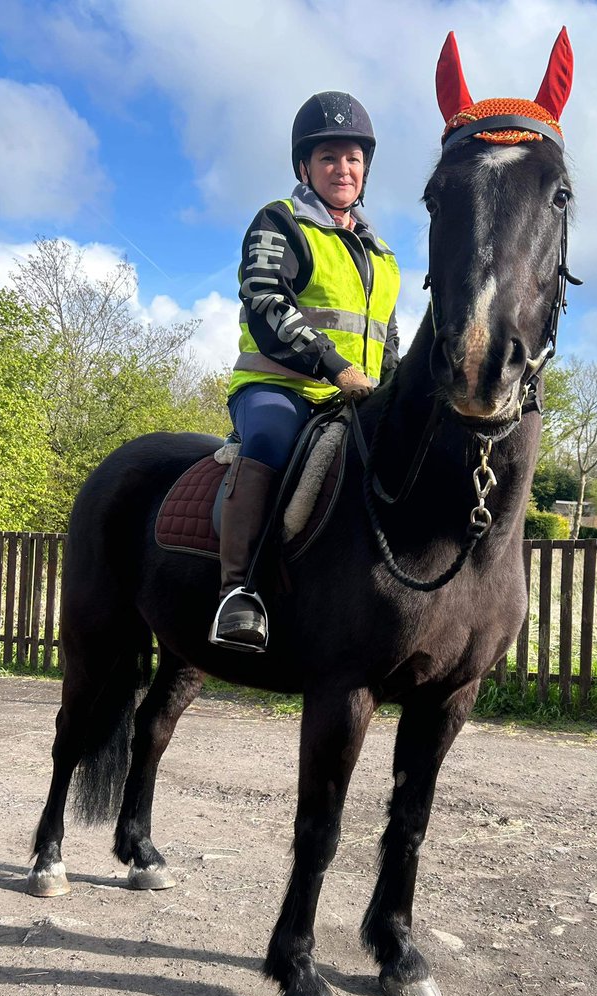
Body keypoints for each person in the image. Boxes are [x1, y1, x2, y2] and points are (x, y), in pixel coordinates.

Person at [209, 91, 401, 651]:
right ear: (304, 167)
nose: (342, 169)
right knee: (269, 438)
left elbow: (387, 338)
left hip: (357, 395)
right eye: (328, 158)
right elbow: (268, 303)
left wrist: (396, 388)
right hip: (280, 386)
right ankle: (237, 593)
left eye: (352, 159)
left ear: (365, 169)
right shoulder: (280, 221)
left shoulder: (382, 254)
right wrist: (336, 368)